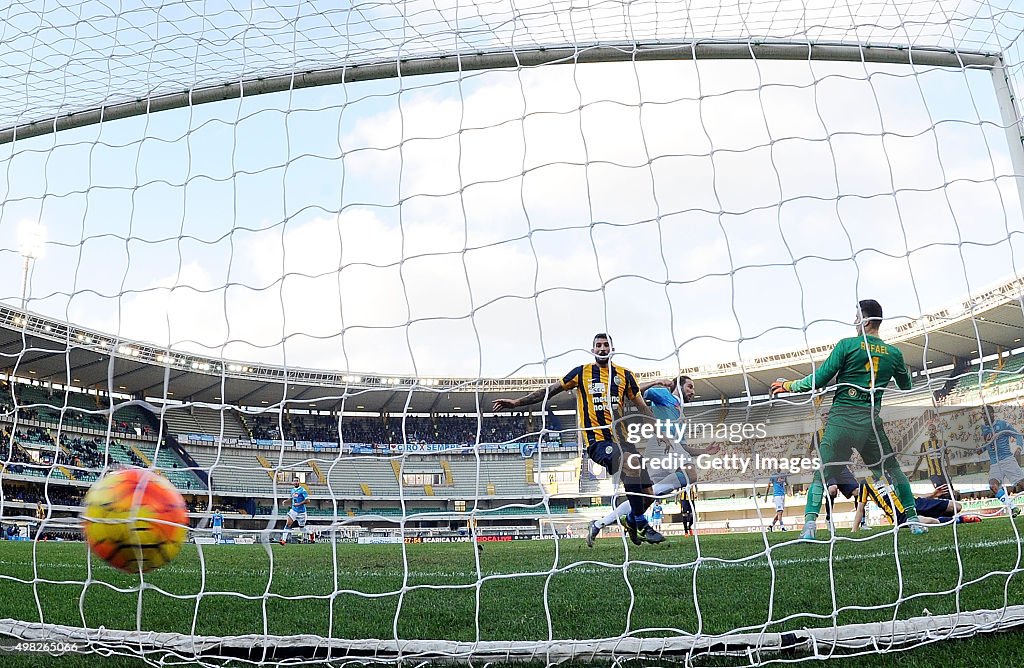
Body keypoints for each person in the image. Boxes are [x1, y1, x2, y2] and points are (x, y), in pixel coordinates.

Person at [772, 299, 924, 538]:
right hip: (870, 425)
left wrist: (789, 385)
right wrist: (895, 369)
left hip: (841, 421)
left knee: (820, 475)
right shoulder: (894, 353)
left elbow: (819, 380)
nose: (854, 322)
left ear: (866, 320)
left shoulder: (847, 346)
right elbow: (906, 385)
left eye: (856, 317)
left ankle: (810, 527)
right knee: (893, 470)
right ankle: (914, 520)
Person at [494, 333, 664, 545]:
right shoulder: (581, 373)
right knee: (629, 462)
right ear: (592, 350)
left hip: (624, 441)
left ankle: (630, 519)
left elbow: (642, 407)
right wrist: (517, 402)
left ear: (612, 349)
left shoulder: (625, 375)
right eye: (598, 345)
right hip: (598, 443)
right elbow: (550, 391)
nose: (602, 348)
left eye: (606, 345)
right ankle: (641, 523)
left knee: (648, 494)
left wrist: (659, 432)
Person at [584, 375, 718, 546]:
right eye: (690, 387)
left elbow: (683, 447)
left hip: (670, 448)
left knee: (646, 497)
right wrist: (656, 382)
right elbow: (634, 393)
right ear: (678, 385)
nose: (693, 391)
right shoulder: (663, 394)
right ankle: (632, 519)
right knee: (690, 474)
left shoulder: (680, 413)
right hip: (660, 445)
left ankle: (598, 524)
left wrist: (705, 452)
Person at [851, 479, 979, 529]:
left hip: (916, 503)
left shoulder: (891, 475)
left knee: (957, 506)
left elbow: (910, 494)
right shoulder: (865, 483)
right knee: (932, 522)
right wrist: (854, 530)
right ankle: (960, 520)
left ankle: (951, 516)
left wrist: (933, 495)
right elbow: (860, 508)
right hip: (900, 515)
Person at [978, 405, 1024, 495]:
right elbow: (989, 444)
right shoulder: (984, 429)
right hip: (994, 463)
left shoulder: (1002, 424)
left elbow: (1018, 435)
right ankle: (1012, 507)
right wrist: (981, 449)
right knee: (993, 486)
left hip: (1007, 459)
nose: (983, 416)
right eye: (982, 414)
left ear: (992, 414)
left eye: (985, 414)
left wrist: (1018, 448)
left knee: (1022, 484)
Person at [278, 477, 308, 545]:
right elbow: (291, 497)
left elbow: (308, 501)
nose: (295, 482)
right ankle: (283, 540)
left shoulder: (302, 490)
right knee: (288, 524)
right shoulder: (292, 490)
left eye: (297, 481)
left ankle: (311, 534)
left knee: (302, 528)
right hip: (294, 511)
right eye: (294, 481)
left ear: (299, 482)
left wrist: (299, 504)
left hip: (302, 512)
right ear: (293, 482)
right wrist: (286, 501)